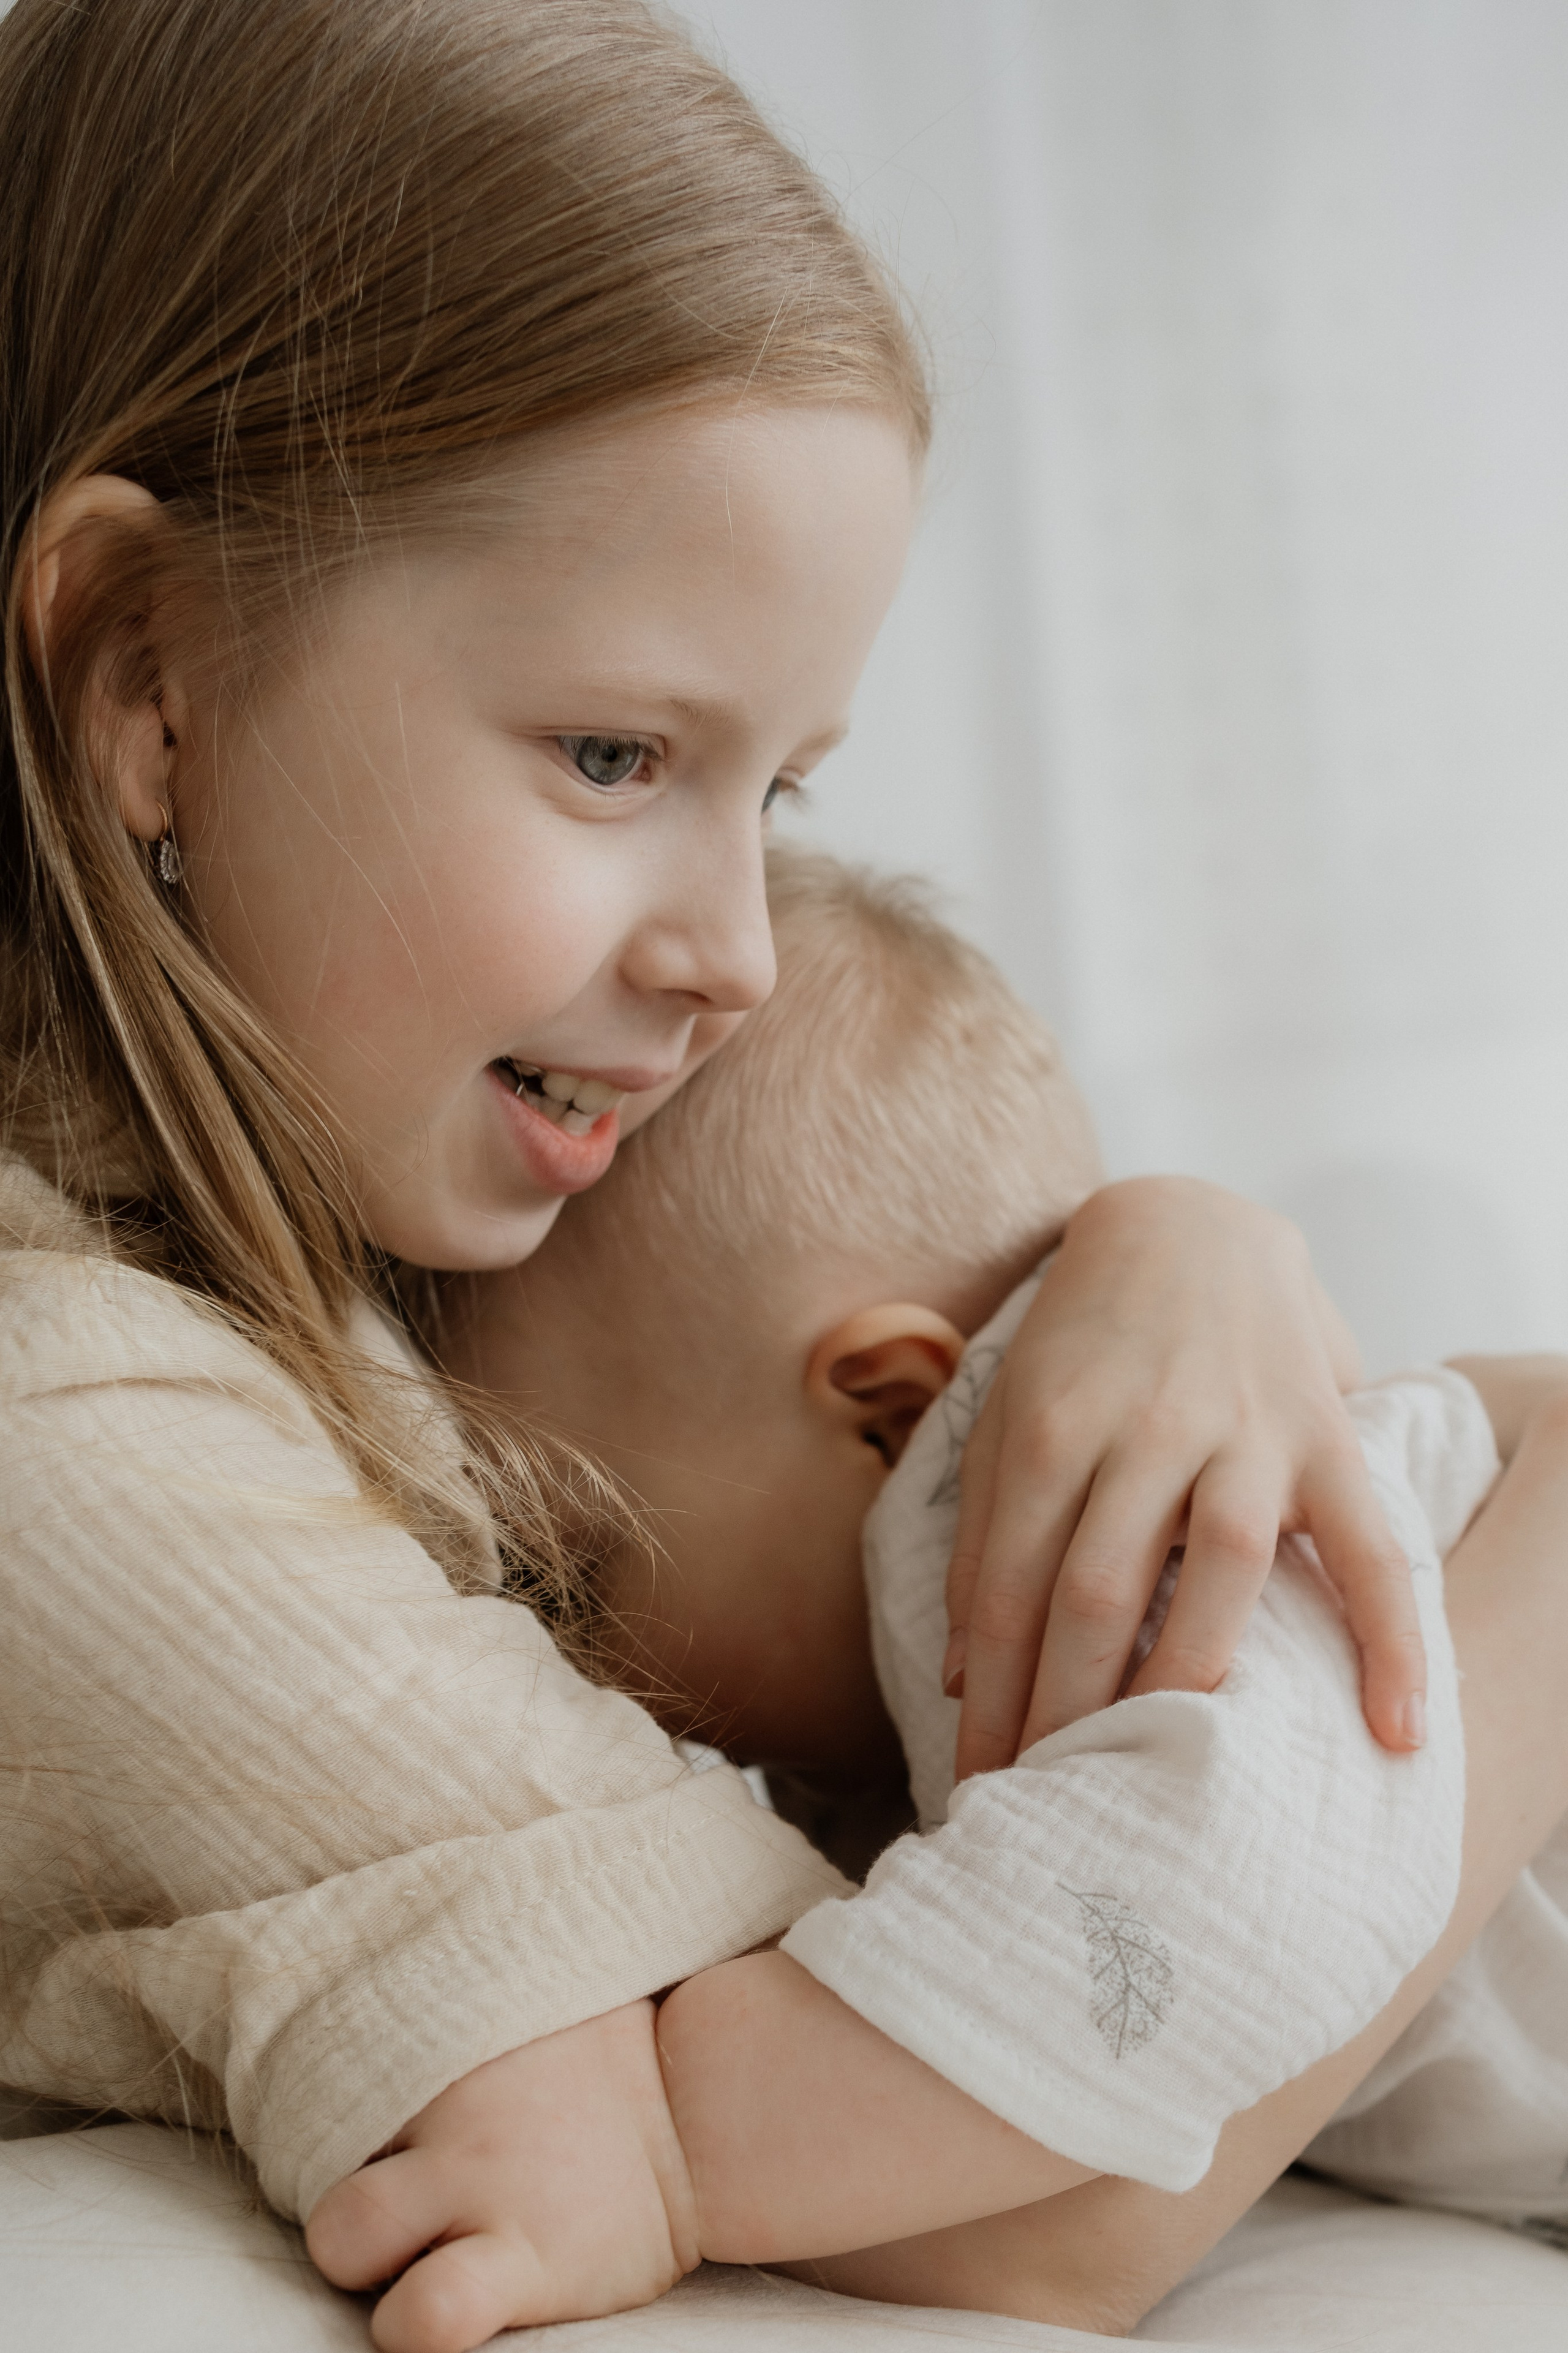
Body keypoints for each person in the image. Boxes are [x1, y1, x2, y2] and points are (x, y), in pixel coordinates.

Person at [1, 6, 1563, 2353]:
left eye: (784, 790)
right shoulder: (73, 1432)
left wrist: (1166, 1235)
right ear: (147, 676)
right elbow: (1028, 2166)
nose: (736, 955)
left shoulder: (338, 1171)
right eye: (616, 751)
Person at [450, 846, 1567, 2309]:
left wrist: (675, 2136)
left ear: (888, 1413)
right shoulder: (884, 1672)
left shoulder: (1118, 1522)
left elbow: (1214, 1890)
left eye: (570, 1565)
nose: (553, 1644)